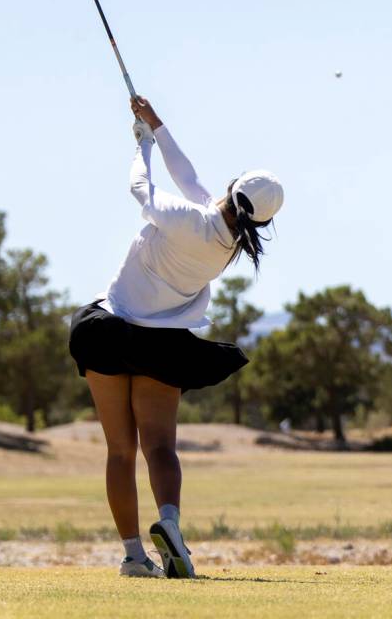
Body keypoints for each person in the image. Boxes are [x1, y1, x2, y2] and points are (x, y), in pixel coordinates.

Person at [69, 97, 284, 579]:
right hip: (163, 345)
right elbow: (189, 179)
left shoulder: (191, 219)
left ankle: (132, 556)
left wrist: (141, 146)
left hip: (109, 328)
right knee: (160, 449)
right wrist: (158, 125)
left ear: (231, 189)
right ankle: (169, 524)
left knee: (119, 450)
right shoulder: (228, 242)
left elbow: (141, 190)